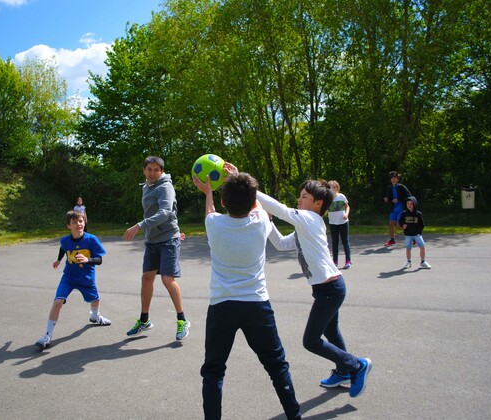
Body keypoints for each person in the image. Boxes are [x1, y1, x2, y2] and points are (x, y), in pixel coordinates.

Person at [193, 164, 301, 420]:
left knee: (213, 371)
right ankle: (295, 416)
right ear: (253, 202)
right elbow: (257, 204)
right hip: (256, 305)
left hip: (222, 306)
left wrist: (208, 192)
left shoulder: (214, 224)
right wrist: (237, 176)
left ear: (223, 201)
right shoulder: (261, 221)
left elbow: (211, 211)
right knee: (277, 366)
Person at [256, 179, 372, 398]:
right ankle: (344, 371)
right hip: (327, 289)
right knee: (331, 331)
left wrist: (251, 190)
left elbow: (282, 210)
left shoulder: (310, 219)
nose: (299, 200)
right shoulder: (305, 226)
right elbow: (281, 244)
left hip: (330, 290)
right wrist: (268, 221)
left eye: (304, 197)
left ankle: (357, 365)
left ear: (318, 203)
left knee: (311, 341)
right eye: (299, 196)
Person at [123, 156, 190, 341]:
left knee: (167, 279)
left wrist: (139, 226)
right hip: (152, 240)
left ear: (161, 172)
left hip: (168, 239)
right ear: (144, 170)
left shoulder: (165, 187)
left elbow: (165, 212)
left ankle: (182, 320)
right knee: (146, 278)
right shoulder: (146, 186)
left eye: (156, 170)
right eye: (149, 169)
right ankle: (144, 320)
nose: (152, 173)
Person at [35, 210, 110, 350]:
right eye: (74, 222)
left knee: (95, 300)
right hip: (68, 278)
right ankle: (47, 335)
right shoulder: (65, 240)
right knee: (57, 302)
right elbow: (63, 248)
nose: (79, 224)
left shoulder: (91, 239)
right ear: (69, 226)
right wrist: (58, 260)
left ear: (84, 223)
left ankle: (95, 316)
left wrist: (87, 260)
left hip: (86, 279)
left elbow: (99, 260)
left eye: (81, 221)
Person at [398, 196, 432, 269]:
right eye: (408, 204)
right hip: (408, 234)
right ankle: (408, 262)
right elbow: (400, 221)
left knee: (422, 246)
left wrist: (419, 232)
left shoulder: (418, 213)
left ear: (414, 204)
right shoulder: (404, 213)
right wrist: (402, 225)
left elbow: (422, 224)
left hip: (417, 234)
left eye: (411, 204)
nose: (409, 205)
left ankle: (423, 262)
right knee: (408, 248)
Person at [383, 171, 412, 246]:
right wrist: (387, 199)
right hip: (394, 209)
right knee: (391, 223)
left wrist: (398, 199)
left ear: (398, 179)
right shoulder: (390, 188)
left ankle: (413, 236)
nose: (394, 179)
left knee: (399, 225)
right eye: (392, 178)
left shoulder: (401, 187)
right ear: (390, 180)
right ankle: (392, 240)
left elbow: (408, 195)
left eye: (395, 178)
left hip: (401, 208)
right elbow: (389, 197)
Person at [328, 180, 352, 269]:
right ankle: (335, 261)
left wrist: (346, 214)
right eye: (332, 187)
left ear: (337, 188)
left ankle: (348, 261)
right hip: (333, 223)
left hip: (343, 222)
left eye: (335, 187)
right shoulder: (328, 198)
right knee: (334, 242)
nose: (334, 189)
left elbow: (347, 206)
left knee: (345, 241)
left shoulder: (341, 196)